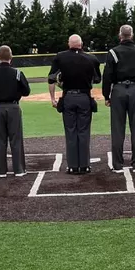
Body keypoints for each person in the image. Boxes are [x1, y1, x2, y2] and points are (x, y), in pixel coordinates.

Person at [48, 34, 100, 174]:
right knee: (84, 132)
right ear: (81, 44)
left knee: (70, 131)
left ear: (68, 44)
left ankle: (72, 166)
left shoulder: (60, 57)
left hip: (68, 97)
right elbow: (97, 79)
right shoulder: (92, 59)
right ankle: (84, 165)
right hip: (84, 97)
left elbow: (51, 79)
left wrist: (53, 98)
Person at [102, 24, 135, 171]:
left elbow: (107, 76)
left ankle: (117, 164)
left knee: (117, 129)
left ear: (120, 35)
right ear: (132, 35)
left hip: (118, 90)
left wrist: (106, 95)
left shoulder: (113, 52)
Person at [0, 45, 30, 177]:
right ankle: (19, 170)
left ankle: (1, 171)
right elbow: (26, 91)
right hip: (13, 108)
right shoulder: (17, 73)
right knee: (16, 139)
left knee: (0, 141)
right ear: (11, 57)